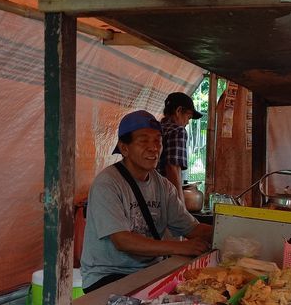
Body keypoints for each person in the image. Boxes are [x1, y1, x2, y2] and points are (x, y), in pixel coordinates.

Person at [80, 110, 213, 292]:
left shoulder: (163, 186)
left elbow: (191, 229)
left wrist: (229, 233)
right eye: (143, 141)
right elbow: (123, 240)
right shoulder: (108, 183)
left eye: (158, 141)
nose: (153, 148)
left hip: (149, 271)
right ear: (124, 148)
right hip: (109, 275)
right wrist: (180, 247)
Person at [158, 92, 204, 203]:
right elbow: (172, 168)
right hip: (165, 196)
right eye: (188, 117)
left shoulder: (157, 128)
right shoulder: (177, 131)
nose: (188, 122)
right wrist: (180, 204)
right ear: (178, 111)